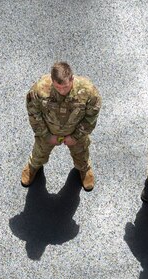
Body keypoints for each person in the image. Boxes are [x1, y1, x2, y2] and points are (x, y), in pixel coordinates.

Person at [22, 61, 102, 191]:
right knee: (39, 152)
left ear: (72, 78)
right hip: (48, 130)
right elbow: (33, 113)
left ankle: (83, 169)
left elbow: (91, 117)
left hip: (76, 132)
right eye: (58, 87)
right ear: (52, 80)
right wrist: (47, 135)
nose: (62, 91)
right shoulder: (39, 89)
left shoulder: (88, 91)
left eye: (65, 87)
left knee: (81, 154)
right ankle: (33, 166)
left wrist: (75, 136)